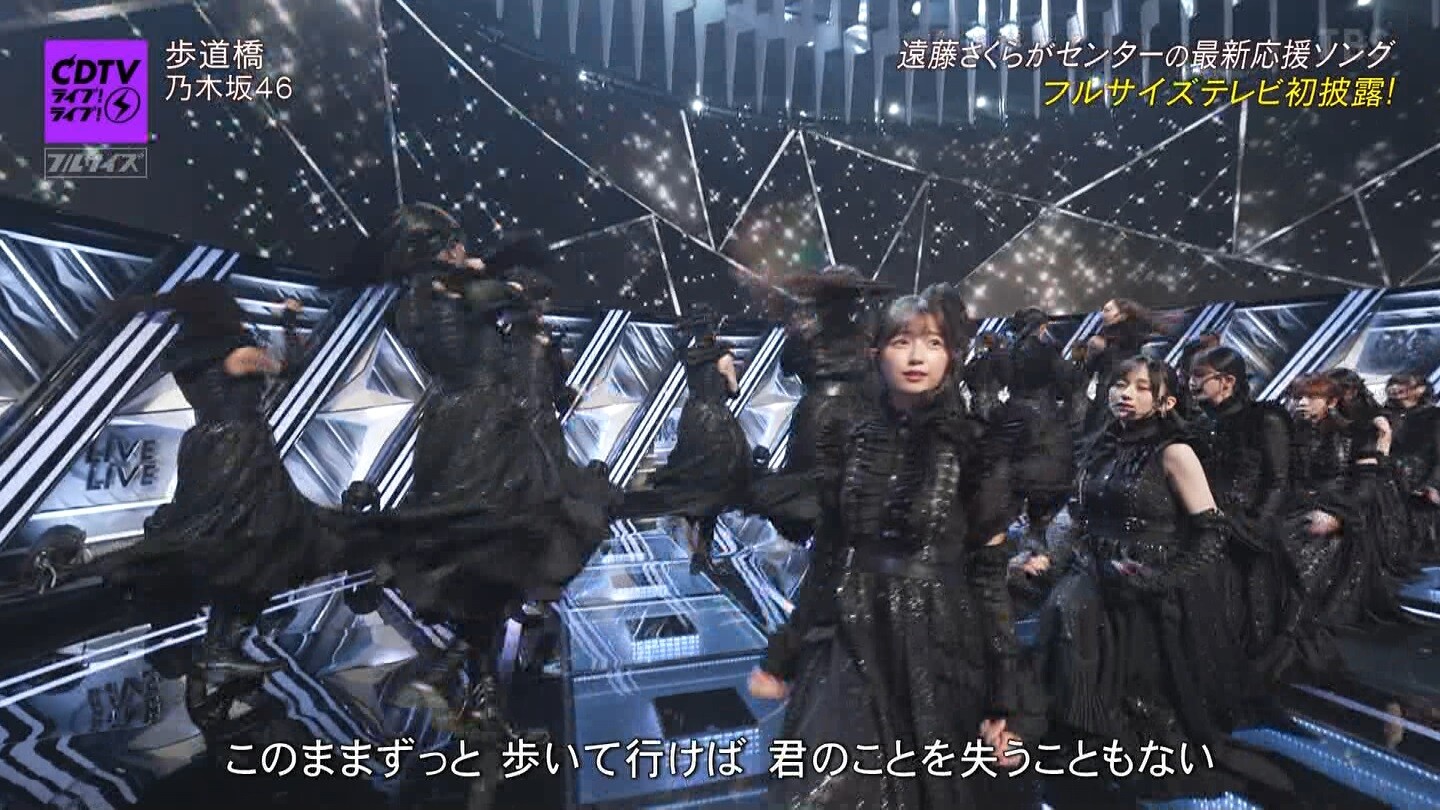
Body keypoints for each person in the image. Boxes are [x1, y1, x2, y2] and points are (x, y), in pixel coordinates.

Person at [747, 289, 1033, 809]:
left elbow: (988, 577)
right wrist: (785, 652)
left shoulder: (975, 449)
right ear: (876, 352)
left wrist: (1003, 694)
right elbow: (829, 553)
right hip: (851, 631)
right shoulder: (853, 439)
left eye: (933, 343)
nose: (917, 356)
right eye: (902, 342)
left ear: (952, 355)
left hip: (937, 639)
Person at [355, 203, 613, 736]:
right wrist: (485, 274)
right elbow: (517, 289)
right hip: (489, 427)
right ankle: (476, 687)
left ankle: (470, 679)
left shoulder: (407, 305)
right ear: (436, 249)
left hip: (445, 427)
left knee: (479, 552)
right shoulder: (469, 293)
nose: (462, 248)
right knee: (517, 541)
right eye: (453, 242)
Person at [1036, 356, 1290, 804]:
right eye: (1119, 383)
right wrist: (1049, 554)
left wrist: (1162, 579)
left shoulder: (1175, 452)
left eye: (1140, 387)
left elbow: (1211, 530)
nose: (1125, 393)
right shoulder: (1101, 448)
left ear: (1165, 402)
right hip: (1094, 569)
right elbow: (1078, 514)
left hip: (1149, 578)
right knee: (1066, 615)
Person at [85, 281, 320, 679]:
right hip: (242, 449)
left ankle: (208, 635)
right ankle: (221, 646)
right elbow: (293, 368)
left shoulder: (185, 355)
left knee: (216, 538)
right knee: (262, 544)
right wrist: (289, 322)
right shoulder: (239, 354)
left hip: (204, 447)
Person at [1187, 346, 1297, 677]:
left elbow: (1278, 481)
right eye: (1189, 375)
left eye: (1198, 376)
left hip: (1247, 528)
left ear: (1227, 381)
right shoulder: (1201, 423)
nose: (1190, 383)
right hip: (1206, 519)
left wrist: (1256, 527)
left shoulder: (1265, 420)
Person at [616, 307, 750, 574]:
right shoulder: (723, 357)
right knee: (717, 483)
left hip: (692, 419)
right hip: (716, 421)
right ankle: (703, 551)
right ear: (714, 330)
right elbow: (735, 391)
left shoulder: (689, 357)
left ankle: (694, 547)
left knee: (691, 477)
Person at [1384, 372, 1440, 562]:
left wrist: (1432, 484)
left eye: (1403, 383)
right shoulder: (1383, 416)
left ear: (1420, 389)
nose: (1395, 388)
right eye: (1392, 383)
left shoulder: (1434, 416)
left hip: (1420, 486)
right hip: (1389, 485)